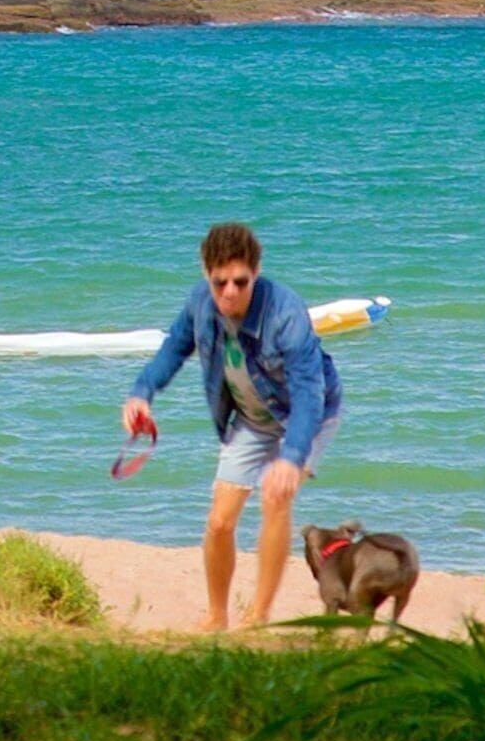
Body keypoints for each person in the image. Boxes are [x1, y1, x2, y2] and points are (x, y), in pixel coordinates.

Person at [122, 222, 340, 631]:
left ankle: (257, 616)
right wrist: (141, 394)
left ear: (256, 274)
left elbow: (311, 393)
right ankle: (217, 615)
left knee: (275, 498)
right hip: (253, 419)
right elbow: (173, 348)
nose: (230, 292)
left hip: (308, 415)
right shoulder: (200, 304)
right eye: (220, 282)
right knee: (220, 521)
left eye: (240, 282)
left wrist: (292, 459)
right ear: (207, 274)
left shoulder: (285, 314)